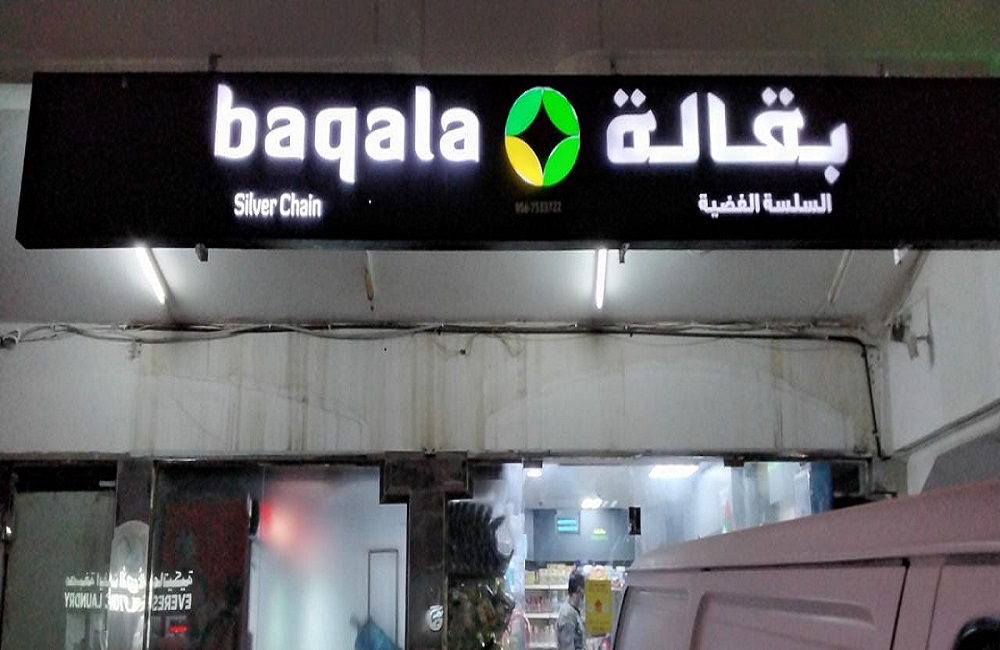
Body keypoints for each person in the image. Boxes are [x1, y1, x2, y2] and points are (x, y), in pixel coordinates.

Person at [556, 572, 586, 650]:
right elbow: (567, 647)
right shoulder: (567, 615)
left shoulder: (574, 611)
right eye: (584, 590)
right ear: (579, 590)